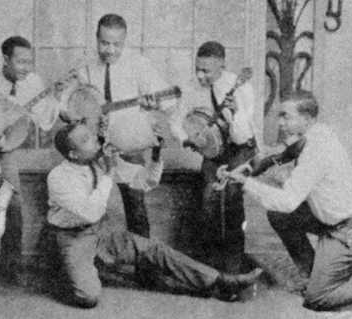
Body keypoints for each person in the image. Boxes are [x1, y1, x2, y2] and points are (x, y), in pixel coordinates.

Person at [46, 87, 262, 309]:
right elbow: (89, 211)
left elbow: (144, 181)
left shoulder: (101, 161)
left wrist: (157, 153)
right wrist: (109, 172)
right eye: (85, 140)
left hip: (102, 231)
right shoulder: (59, 177)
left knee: (156, 250)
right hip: (73, 238)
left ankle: (222, 282)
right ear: (73, 154)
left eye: (91, 136)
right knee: (88, 298)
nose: (94, 140)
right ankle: (72, 268)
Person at [222, 90, 352, 311]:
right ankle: (313, 274)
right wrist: (254, 166)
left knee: (317, 298)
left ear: (306, 119)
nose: (280, 123)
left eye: (285, 116)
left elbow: (288, 201)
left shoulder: (315, 151)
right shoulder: (319, 132)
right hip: (335, 222)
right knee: (280, 217)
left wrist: (245, 182)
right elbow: (287, 151)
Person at [0, 36, 65, 270]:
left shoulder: (33, 82)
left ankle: (12, 265)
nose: (27, 68)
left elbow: (44, 121)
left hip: (5, 150)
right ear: (6, 59)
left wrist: (54, 98)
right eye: (21, 62)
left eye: (30, 62)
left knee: (12, 200)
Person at [75, 13, 174, 238]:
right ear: (96, 38)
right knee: (89, 208)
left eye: (117, 44)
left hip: (128, 146)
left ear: (125, 41)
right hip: (93, 148)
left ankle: (145, 269)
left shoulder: (139, 64)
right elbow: (74, 104)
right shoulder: (85, 66)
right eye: (104, 43)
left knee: (135, 210)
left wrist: (154, 104)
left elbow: (170, 101)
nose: (110, 50)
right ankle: (96, 265)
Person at [172, 41, 257, 273]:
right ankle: (209, 268)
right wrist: (188, 138)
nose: (200, 75)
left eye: (206, 71)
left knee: (231, 198)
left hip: (240, 149)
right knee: (208, 200)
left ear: (222, 66)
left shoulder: (240, 87)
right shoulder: (191, 87)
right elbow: (176, 120)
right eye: (197, 68)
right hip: (214, 150)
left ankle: (233, 265)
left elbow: (243, 135)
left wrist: (235, 113)